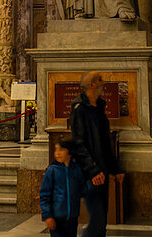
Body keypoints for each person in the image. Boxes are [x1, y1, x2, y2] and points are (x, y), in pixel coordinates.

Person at [69, 71, 123, 237]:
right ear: (92, 84)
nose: (104, 82)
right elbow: (78, 144)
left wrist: (116, 169)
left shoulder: (98, 106)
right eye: (100, 79)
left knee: (101, 219)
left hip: (102, 170)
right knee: (98, 219)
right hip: (90, 173)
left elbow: (105, 143)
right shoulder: (80, 108)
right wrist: (93, 171)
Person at [40, 138, 86, 237]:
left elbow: (82, 189)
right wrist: (47, 216)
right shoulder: (52, 170)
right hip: (56, 217)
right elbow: (44, 195)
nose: (57, 153)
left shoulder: (76, 169)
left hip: (72, 217)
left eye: (61, 150)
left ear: (69, 152)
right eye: (56, 150)